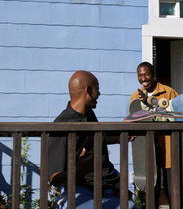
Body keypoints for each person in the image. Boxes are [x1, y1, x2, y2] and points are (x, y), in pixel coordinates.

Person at [49, 70, 136, 209]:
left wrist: (122, 137)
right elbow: (54, 178)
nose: (99, 94)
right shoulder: (61, 126)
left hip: (110, 185)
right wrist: (79, 170)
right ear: (88, 90)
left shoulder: (89, 114)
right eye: (97, 89)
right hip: (82, 188)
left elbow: (94, 138)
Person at [130, 62, 178, 205]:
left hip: (169, 147)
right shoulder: (135, 96)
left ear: (154, 75)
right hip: (147, 148)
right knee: (151, 191)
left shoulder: (169, 92)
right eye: (140, 75)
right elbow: (133, 120)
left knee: (172, 189)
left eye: (146, 74)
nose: (143, 78)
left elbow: (176, 117)